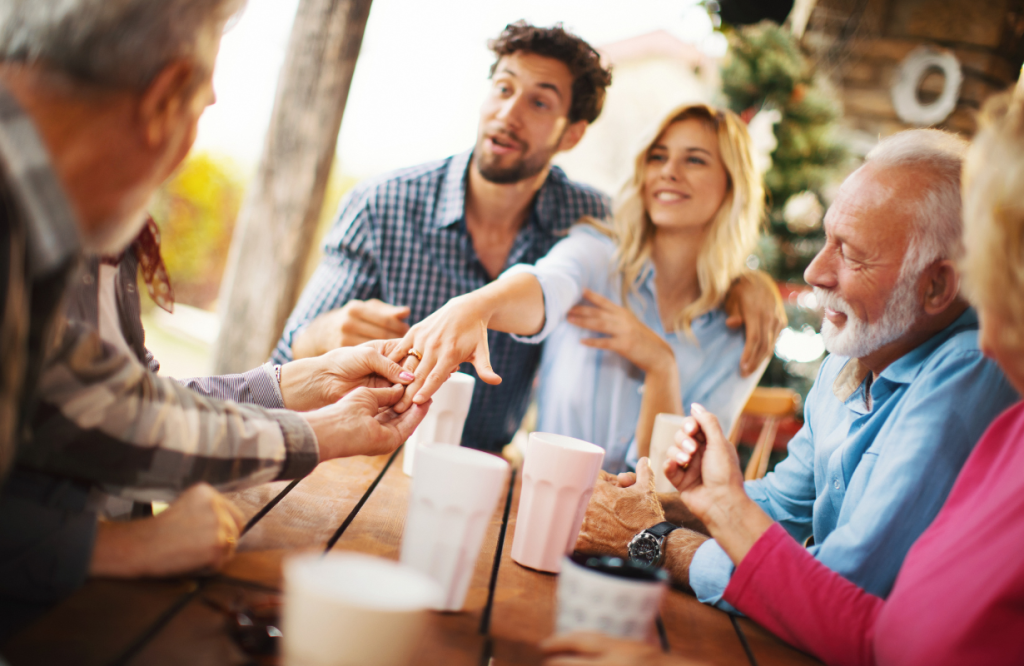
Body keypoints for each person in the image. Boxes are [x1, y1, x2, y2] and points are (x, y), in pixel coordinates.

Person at [545, 90, 1024, 666]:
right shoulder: (855, 353)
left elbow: (841, 586)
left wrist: (655, 540)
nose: (815, 271)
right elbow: (781, 503)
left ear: (938, 286)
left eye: (851, 253)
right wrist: (668, 506)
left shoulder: (971, 366)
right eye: (826, 239)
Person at [0, 0, 428, 634]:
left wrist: (305, 392)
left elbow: (104, 404)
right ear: (166, 98)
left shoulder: (45, 221)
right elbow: (109, 416)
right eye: (202, 108)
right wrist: (109, 547)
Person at [272, 21, 786, 454]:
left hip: (484, 467)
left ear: (571, 134)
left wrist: (746, 281)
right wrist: (324, 333)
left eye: (539, 102)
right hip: (363, 451)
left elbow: (662, 236)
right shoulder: (384, 204)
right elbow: (285, 359)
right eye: (503, 88)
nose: (509, 112)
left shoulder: (585, 216)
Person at [389, 103, 768, 473]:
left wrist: (661, 365)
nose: (669, 171)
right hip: (542, 496)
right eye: (658, 157)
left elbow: (681, 482)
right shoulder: (595, 255)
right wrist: (477, 306)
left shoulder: (742, 331)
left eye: (695, 160)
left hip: (648, 516)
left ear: (733, 184)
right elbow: (544, 286)